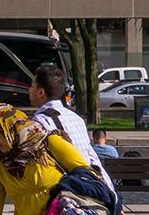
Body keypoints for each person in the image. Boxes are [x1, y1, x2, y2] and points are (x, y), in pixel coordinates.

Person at [28, 65, 115, 193]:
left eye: (32, 86)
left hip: (61, 196)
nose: (29, 90)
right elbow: (93, 160)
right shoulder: (77, 119)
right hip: (85, 191)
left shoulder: (39, 123)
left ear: (41, 92)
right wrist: (112, 197)